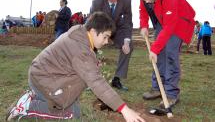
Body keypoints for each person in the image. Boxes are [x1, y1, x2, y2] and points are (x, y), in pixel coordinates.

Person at [6, 12, 145, 122]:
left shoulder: (79, 34)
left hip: (41, 75)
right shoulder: (81, 49)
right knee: (71, 113)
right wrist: (124, 109)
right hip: (43, 80)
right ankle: (27, 107)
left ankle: (35, 97)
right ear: (93, 31)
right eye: (105, 37)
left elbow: (79, 63)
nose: (107, 41)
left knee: (76, 106)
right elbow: (96, 81)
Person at [136, 0, 195, 108]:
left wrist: (154, 49)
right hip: (163, 21)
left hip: (180, 21)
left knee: (169, 54)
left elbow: (169, 27)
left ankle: (171, 94)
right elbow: (143, 10)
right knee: (159, 55)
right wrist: (144, 25)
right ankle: (157, 88)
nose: (147, 1)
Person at [90, 0, 133, 91]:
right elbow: (91, 24)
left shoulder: (127, 1)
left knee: (129, 46)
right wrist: (94, 41)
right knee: (90, 49)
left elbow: (128, 22)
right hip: (101, 29)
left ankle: (117, 79)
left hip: (117, 30)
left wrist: (126, 42)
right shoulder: (97, 2)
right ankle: (91, 80)